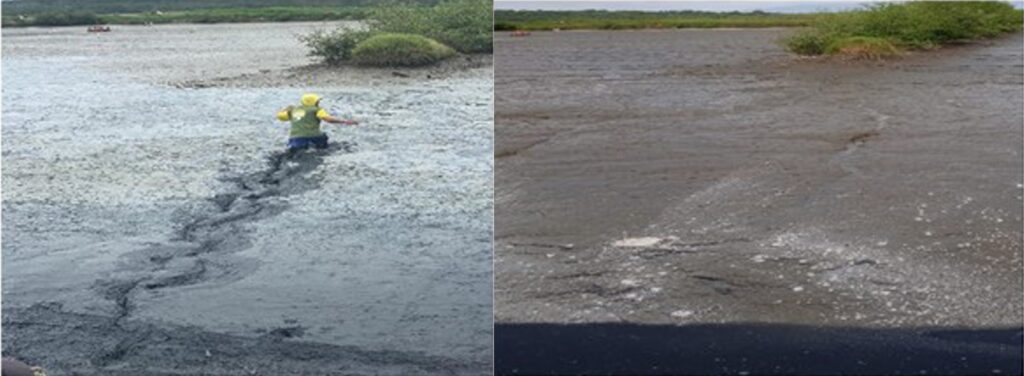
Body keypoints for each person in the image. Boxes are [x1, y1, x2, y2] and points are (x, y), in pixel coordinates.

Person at [276, 93, 358, 152]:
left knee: (295, 151)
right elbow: (328, 119)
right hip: (315, 136)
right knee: (323, 142)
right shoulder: (317, 110)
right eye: (317, 101)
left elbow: (280, 117)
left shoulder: (293, 111)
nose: (318, 103)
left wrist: (286, 109)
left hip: (296, 138)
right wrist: (345, 121)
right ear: (313, 102)